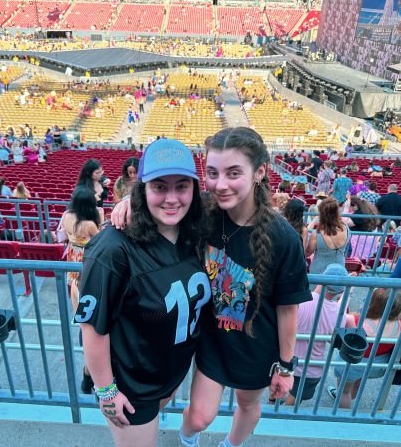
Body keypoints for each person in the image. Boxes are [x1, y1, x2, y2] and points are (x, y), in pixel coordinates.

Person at [111, 128, 312, 447]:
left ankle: (231, 444)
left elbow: (289, 309)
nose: (220, 184)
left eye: (234, 173)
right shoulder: (202, 212)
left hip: (257, 346)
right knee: (200, 416)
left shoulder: (284, 238)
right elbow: (164, 199)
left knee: (248, 404)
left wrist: (286, 368)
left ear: (259, 172)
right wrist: (128, 201)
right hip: (212, 340)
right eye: (213, 173)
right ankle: (188, 438)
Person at [75, 139, 209, 447]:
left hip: (170, 374)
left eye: (182, 186)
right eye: (160, 187)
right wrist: (107, 391)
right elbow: (93, 327)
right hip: (133, 385)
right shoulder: (112, 249)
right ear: (143, 188)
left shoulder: (195, 233)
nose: (172, 198)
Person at [285, 264, 355, 405]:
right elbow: (337, 312)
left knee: (280, 392)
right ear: (341, 291)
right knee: (295, 400)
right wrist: (348, 291)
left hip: (286, 361)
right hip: (311, 368)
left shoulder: (299, 300)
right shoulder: (339, 314)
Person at [328, 288, 401, 408]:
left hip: (353, 363)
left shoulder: (356, 321)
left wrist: (348, 291)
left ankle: (342, 415)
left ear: (374, 304)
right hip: (376, 366)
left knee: (344, 391)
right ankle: (349, 399)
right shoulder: (399, 326)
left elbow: (337, 314)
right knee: (358, 382)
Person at [62, 186, 101, 394]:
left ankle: (81, 321)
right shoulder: (88, 224)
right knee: (89, 292)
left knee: (76, 291)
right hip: (87, 260)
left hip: (72, 256)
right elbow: (102, 239)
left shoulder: (67, 216)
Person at [307, 197, 350, 275]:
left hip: (319, 273)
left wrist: (313, 222)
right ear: (336, 212)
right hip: (339, 272)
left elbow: (307, 253)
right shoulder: (346, 228)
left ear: (321, 214)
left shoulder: (317, 234)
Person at [343, 196, 379, 261]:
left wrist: (346, 208)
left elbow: (345, 223)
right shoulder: (365, 211)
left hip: (358, 243)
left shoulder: (359, 213)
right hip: (364, 242)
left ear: (355, 205)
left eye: (350, 206)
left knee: (350, 260)